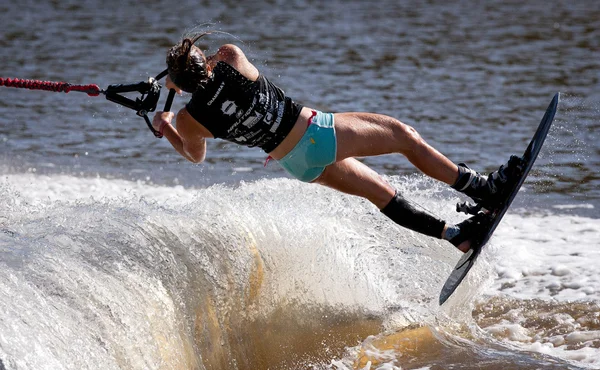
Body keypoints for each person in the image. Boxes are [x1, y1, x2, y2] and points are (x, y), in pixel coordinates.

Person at [152, 33, 521, 253]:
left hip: (296, 163)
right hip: (315, 134)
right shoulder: (230, 58)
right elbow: (215, 61)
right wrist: (181, 77)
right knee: (405, 137)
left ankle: (456, 236)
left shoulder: (188, 120)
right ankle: (483, 188)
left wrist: (166, 125)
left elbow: (194, 156)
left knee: (382, 194)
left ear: (180, 86)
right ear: (204, 59)